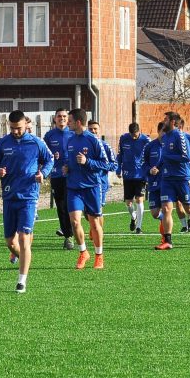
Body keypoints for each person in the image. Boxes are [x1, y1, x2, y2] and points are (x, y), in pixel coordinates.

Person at [0, 110, 54, 293]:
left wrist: (43, 174)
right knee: (10, 242)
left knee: (24, 238)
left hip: (29, 196)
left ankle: (21, 281)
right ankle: (25, 257)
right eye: (12, 128)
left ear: (25, 124)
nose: (16, 131)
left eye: (18, 128)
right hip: (9, 196)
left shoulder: (36, 142)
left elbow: (49, 160)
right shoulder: (3, 143)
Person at [154, 111, 190, 250]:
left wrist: (169, 158)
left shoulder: (180, 136)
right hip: (167, 179)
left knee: (189, 209)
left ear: (173, 122)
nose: (164, 122)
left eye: (166, 119)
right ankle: (168, 241)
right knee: (167, 208)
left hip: (182, 178)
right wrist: (157, 166)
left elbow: (187, 157)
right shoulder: (165, 137)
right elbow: (164, 157)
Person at [63, 108, 111, 269]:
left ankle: (99, 255)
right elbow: (69, 161)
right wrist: (67, 168)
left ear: (77, 122)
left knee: (94, 222)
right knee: (75, 222)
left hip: (91, 187)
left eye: (69, 120)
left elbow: (106, 164)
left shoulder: (94, 140)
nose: (66, 123)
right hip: (73, 187)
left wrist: (88, 162)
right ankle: (83, 252)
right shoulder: (70, 140)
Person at [43, 109, 74, 250]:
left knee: (70, 206)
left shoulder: (73, 133)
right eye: (59, 116)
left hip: (71, 175)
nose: (62, 118)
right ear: (54, 119)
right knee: (61, 206)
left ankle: (71, 233)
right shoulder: (49, 136)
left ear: (68, 119)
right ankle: (68, 235)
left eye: (64, 116)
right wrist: (51, 157)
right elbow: (43, 155)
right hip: (56, 175)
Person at [86, 120, 117, 245]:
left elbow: (114, 165)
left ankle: (98, 232)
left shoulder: (105, 146)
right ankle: (94, 227)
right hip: (86, 183)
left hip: (100, 184)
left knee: (98, 211)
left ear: (99, 131)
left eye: (95, 129)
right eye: (91, 129)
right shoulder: (85, 145)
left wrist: (99, 166)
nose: (93, 131)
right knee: (87, 212)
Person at [116, 122, 150, 234]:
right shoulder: (123, 138)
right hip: (127, 174)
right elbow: (120, 154)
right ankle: (133, 216)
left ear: (139, 131)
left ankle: (139, 227)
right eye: (132, 135)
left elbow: (150, 156)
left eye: (135, 135)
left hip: (141, 175)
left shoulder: (146, 140)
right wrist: (118, 169)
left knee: (139, 199)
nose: (133, 137)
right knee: (128, 203)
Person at [142, 122, 166, 243]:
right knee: (155, 213)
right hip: (153, 183)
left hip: (167, 183)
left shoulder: (171, 145)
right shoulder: (150, 146)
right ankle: (163, 220)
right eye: (163, 131)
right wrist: (149, 170)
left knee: (166, 209)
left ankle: (165, 238)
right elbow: (143, 164)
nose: (165, 134)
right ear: (158, 131)